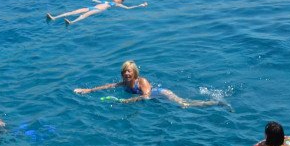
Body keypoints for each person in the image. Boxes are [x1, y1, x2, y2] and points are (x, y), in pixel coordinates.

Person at [73, 60, 224, 108]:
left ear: (134, 73)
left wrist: (129, 100)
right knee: (185, 105)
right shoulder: (124, 84)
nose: (127, 74)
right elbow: (108, 86)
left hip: (163, 93)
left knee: (185, 105)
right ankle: (213, 102)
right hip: (156, 98)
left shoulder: (142, 81)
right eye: (125, 71)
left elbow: (146, 96)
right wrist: (89, 90)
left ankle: (215, 103)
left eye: (129, 72)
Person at [46, 0, 148, 26]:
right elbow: (94, 0)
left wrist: (141, 5)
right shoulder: (106, 2)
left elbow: (128, 8)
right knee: (73, 12)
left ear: (120, 1)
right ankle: (54, 17)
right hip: (92, 7)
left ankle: (71, 22)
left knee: (84, 15)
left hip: (98, 10)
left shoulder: (117, 4)